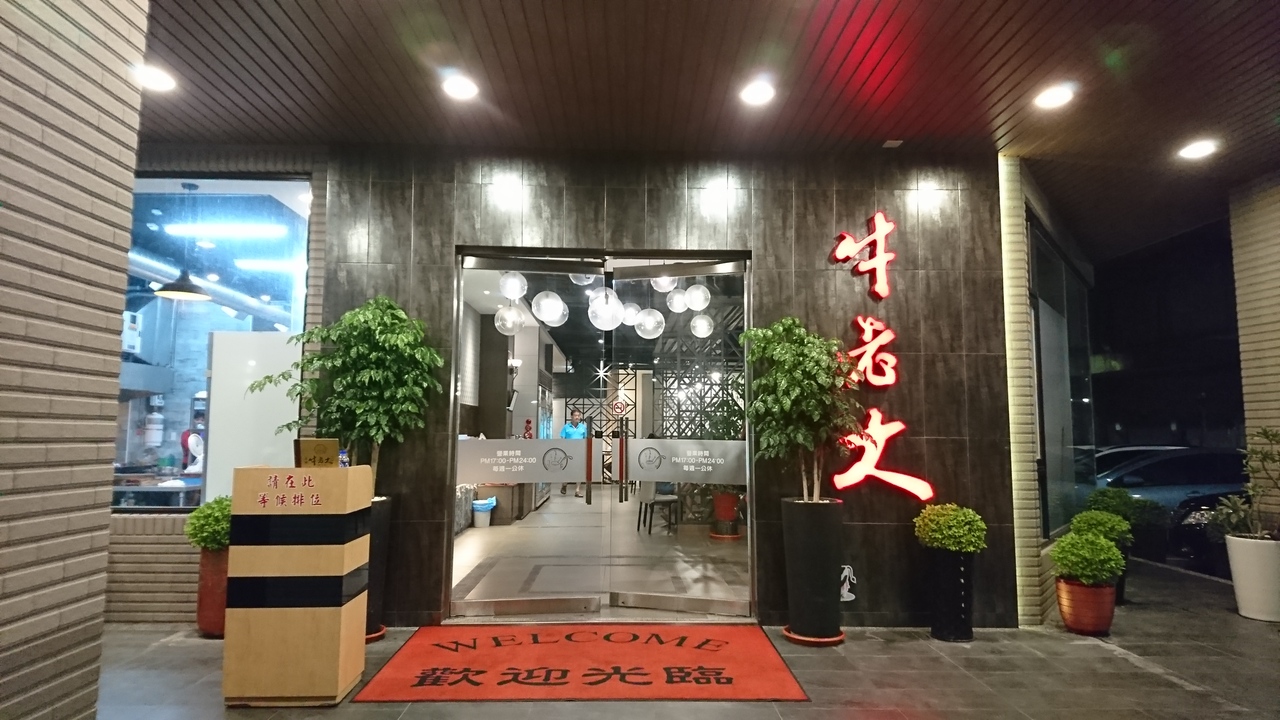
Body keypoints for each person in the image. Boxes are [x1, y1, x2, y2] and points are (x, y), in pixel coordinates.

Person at [560, 409, 588, 497]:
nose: (577, 417)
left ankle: (577, 490)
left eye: (578, 415)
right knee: (567, 469)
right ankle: (564, 484)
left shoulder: (583, 427)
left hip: (579, 452)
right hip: (568, 452)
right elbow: (562, 439)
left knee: (579, 470)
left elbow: (586, 439)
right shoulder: (566, 427)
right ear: (571, 416)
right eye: (575, 415)